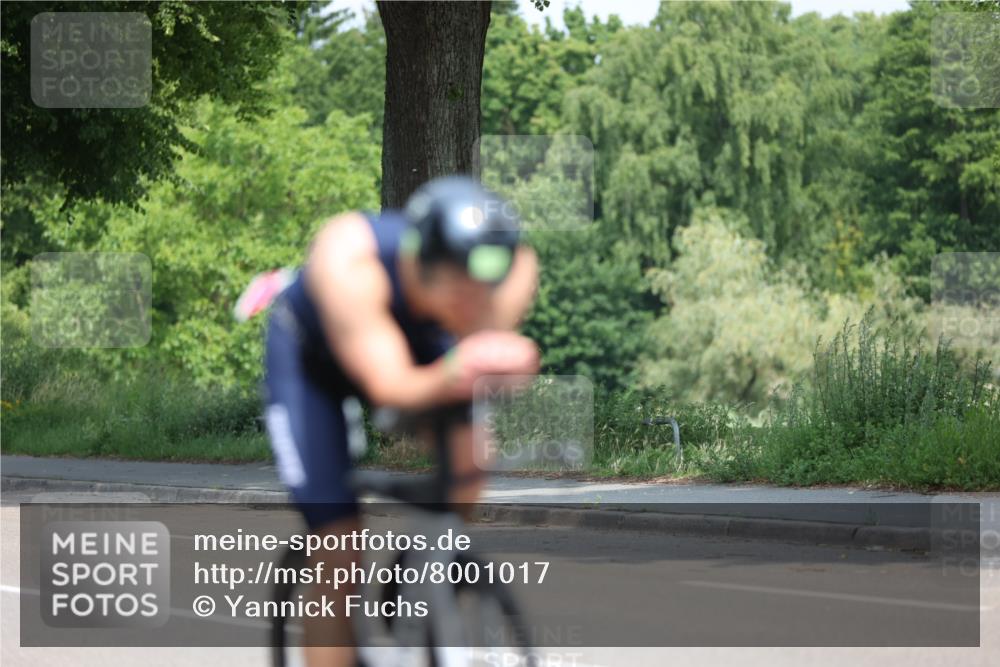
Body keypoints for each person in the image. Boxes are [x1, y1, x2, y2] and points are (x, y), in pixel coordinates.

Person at [260, 175, 540, 667]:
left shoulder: (506, 264)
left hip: (417, 340)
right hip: (313, 363)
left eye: (483, 292)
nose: (475, 306)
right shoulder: (350, 263)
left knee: (472, 462)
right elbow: (391, 388)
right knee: (339, 538)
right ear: (423, 265)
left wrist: (502, 353)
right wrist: (464, 365)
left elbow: (516, 277)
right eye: (461, 294)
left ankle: (418, 579)